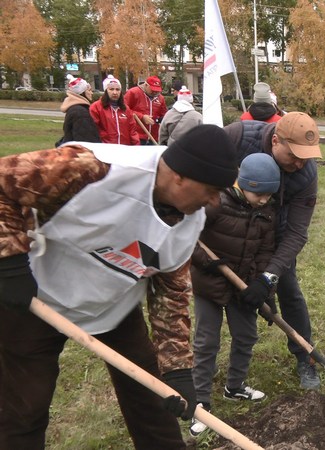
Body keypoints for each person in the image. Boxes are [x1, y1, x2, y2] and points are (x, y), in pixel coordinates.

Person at [0, 125, 240, 449]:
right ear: (181, 176)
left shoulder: (189, 221)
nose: (215, 201)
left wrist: (178, 369)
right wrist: (9, 259)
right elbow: (4, 184)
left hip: (113, 305)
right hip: (37, 296)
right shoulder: (93, 168)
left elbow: (171, 291)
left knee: (154, 397)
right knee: (25, 407)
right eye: (211, 190)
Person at [223, 112, 323, 390]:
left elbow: (296, 233)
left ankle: (305, 357)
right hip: (229, 228)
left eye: (307, 156)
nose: (300, 163)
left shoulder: (305, 175)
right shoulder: (238, 137)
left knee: (288, 288)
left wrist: (269, 276)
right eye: (294, 155)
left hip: (274, 233)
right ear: (276, 140)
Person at [188, 153, 282, 437]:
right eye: (259, 193)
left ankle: (235, 387)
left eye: (269, 194)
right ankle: (200, 403)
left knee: (246, 336)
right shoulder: (216, 202)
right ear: (243, 184)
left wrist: (265, 288)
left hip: (243, 285)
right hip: (210, 284)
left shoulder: (267, 212)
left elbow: (266, 252)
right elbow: (188, 236)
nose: (264, 199)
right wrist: (209, 262)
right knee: (207, 341)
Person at [90, 74, 140, 145]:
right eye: (111, 89)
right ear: (105, 91)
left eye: (117, 89)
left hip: (124, 149)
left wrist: (136, 146)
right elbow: (93, 130)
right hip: (106, 149)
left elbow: (132, 130)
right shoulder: (96, 107)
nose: (115, 92)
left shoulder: (125, 109)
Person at [125, 75, 168, 145]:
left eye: (156, 90)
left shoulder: (160, 98)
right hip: (137, 136)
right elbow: (124, 110)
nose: (154, 92)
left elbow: (164, 115)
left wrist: (159, 119)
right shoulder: (133, 93)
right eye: (152, 89)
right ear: (145, 85)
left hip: (153, 137)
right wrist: (142, 117)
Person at [58, 75, 100, 144]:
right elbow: (85, 141)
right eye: (89, 90)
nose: (91, 93)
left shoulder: (74, 109)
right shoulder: (81, 113)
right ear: (82, 93)